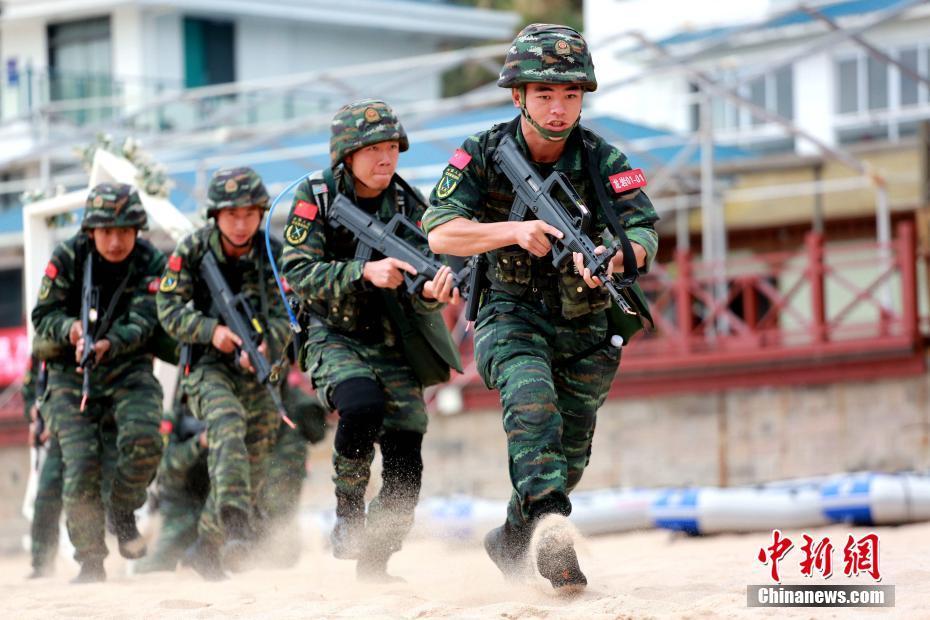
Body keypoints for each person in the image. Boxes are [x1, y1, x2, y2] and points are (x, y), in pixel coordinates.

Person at [422, 24, 659, 593]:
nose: (558, 108)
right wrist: (513, 231)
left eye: (571, 95)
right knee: (533, 411)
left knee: (568, 455)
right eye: (545, 94)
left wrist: (615, 257)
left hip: (585, 323)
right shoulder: (482, 154)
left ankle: (513, 539)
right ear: (518, 96)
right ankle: (554, 541)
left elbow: (645, 230)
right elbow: (440, 232)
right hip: (510, 312)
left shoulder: (603, 158)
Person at [281, 99, 461, 581]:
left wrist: (431, 292)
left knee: (407, 458)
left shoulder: (408, 204)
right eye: (374, 149)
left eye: (392, 148)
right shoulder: (317, 197)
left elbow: (427, 275)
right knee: (361, 406)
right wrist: (363, 272)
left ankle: (375, 564)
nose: (386, 158)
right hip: (332, 332)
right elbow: (296, 271)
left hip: (391, 338)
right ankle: (348, 515)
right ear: (347, 154)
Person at [156, 167, 290, 580]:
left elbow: (288, 314)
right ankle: (236, 527)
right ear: (215, 216)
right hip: (207, 367)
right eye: (231, 214)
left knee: (254, 457)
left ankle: (207, 548)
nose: (241, 223)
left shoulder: (272, 253)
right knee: (227, 423)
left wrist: (267, 345)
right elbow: (167, 309)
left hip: (257, 368)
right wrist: (211, 331)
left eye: (249, 214)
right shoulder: (193, 250)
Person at [32, 183, 167, 582]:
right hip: (70, 373)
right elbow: (43, 314)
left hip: (128, 365)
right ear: (90, 231)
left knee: (145, 440)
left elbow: (147, 318)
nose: (115, 241)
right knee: (80, 466)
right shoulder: (69, 256)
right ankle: (90, 560)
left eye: (125, 231)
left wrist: (111, 343)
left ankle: (122, 510)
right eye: (106, 231)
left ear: (137, 230)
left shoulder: (150, 261)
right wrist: (72, 330)